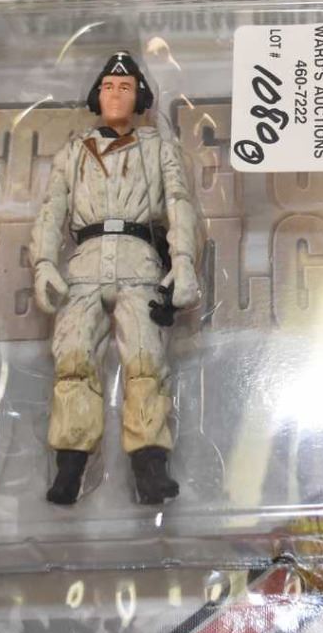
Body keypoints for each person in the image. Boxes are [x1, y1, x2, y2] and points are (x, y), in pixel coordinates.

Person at [30, 52, 201, 506]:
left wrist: (183, 260)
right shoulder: (74, 151)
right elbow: (52, 208)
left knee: (146, 361)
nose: (115, 95)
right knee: (73, 358)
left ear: (139, 96)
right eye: (108, 87)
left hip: (138, 259)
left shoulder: (158, 148)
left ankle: (150, 466)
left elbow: (179, 203)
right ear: (97, 94)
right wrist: (43, 261)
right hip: (85, 264)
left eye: (125, 88)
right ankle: (69, 468)